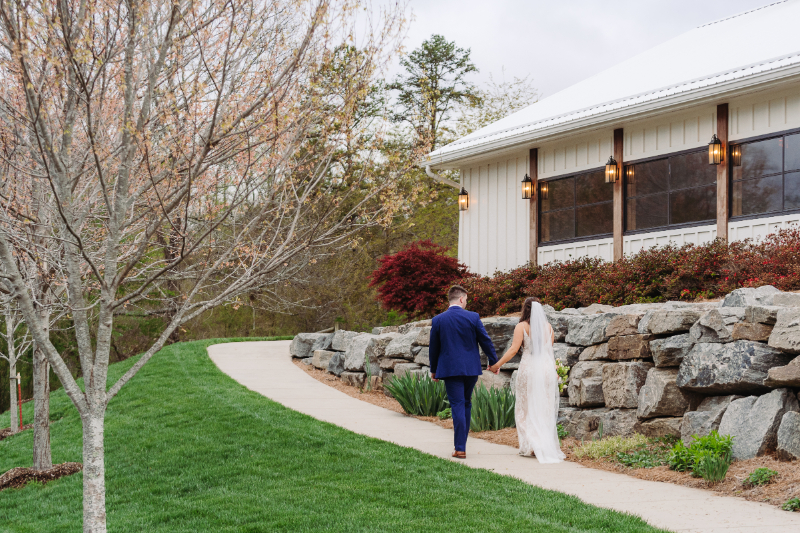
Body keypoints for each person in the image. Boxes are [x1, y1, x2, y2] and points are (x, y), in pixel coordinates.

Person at [489, 297, 565, 463]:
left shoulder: (521, 327)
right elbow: (549, 352)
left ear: (525, 309)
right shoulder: (548, 327)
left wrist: (497, 365)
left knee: (525, 408)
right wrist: (554, 371)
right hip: (546, 370)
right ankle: (543, 445)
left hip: (529, 370)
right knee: (543, 407)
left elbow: (513, 350)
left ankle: (532, 445)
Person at [429, 285, 498, 459]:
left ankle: (460, 448)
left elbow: (434, 348)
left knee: (458, 405)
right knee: (466, 403)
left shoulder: (438, 320)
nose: (466, 302)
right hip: (470, 369)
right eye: (466, 299)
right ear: (461, 299)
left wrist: (434, 369)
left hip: (450, 369)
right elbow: (485, 340)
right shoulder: (473, 317)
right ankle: (461, 446)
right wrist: (493, 361)